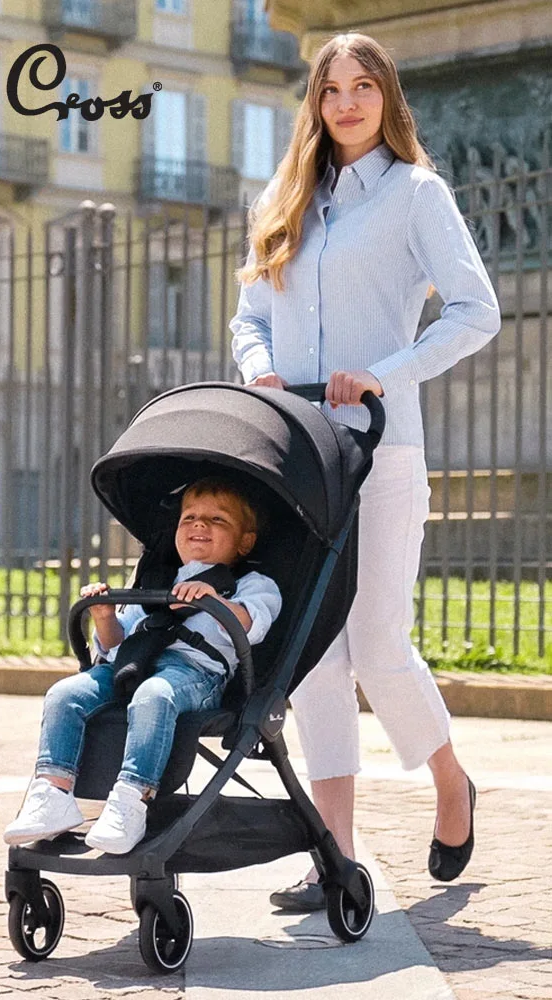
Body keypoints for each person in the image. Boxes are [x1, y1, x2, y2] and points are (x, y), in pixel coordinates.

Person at [229, 32, 500, 911]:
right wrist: (257, 369)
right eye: (331, 88)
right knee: (313, 658)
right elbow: (248, 316)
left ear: (387, 97)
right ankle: (333, 855)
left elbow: (476, 311)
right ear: (314, 102)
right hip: (298, 453)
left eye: (363, 87)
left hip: (383, 451)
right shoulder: (284, 199)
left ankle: (452, 783)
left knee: (379, 642)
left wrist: (388, 369)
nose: (346, 103)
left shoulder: (417, 195)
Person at [4, 477, 282, 855]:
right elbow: (118, 644)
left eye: (217, 520)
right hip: (132, 664)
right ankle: (52, 793)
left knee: (154, 695)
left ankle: (132, 799)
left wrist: (215, 599)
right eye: (190, 518)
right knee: (64, 693)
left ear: (244, 541)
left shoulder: (252, 584)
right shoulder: (155, 578)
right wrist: (104, 617)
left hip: (194, 674)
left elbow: (252, 623)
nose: (200, 525)